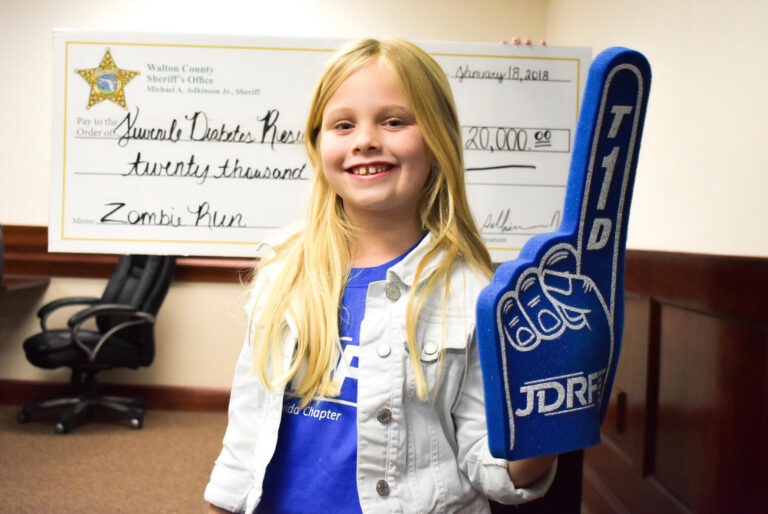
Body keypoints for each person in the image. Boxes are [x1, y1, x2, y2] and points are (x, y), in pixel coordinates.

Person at [205, 38, 557, 514]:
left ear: (437, 138)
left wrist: (554, 406)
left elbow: (493, 469)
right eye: (343, 124)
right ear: (317, 144)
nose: (365, 140)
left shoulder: (474, 293)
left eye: (393, 121)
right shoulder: (284, 272)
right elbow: (246, 433)